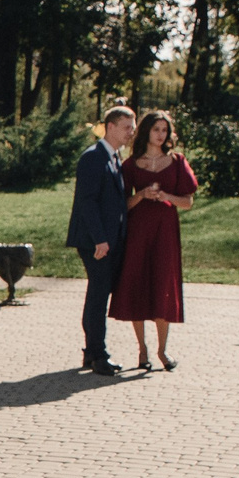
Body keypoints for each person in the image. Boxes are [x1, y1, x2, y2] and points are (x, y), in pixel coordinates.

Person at [108, 111, 196, 371]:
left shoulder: (178, 162)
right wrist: (142, 195)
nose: (161, 135)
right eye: (156, 129)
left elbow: (188, 202)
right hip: (139, 229)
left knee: (162, 284)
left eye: (164, 130)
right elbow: (122, 203)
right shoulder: (132, 164)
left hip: (166, 230)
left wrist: (167, 195)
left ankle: (162, 350)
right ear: (146, 131)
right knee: (138, 282)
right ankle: (142, 349)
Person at [66, 105, 135, 375]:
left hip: (109, 239)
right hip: (96, 242)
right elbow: (87, 202)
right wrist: (99, 239)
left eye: (133, 127)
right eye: (127, 127)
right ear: (112, 126)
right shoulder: (93, 157)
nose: (131, 133)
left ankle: (91, 352)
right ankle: (98, 354)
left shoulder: (115, 158)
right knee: (98, 296)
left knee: (99, 294)